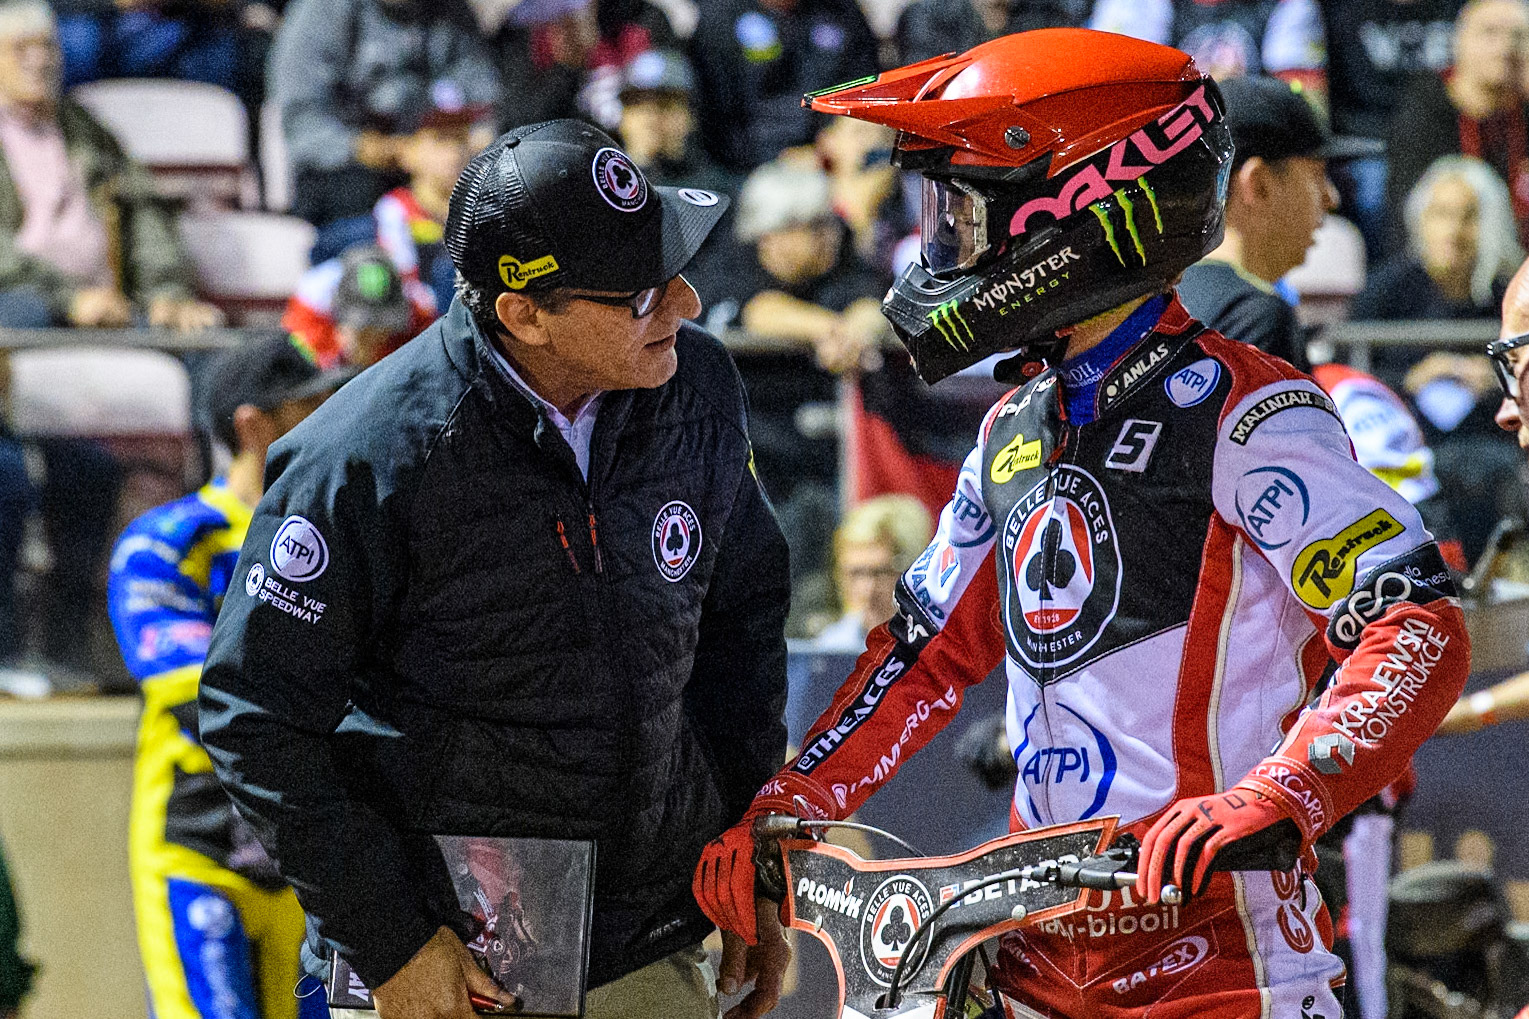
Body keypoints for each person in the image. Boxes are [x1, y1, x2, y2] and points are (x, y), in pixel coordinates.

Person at [694, 29, 1471, 1019]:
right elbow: (922, 656)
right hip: (1035, 956)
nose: (941, 250)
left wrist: (1279, 792)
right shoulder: (1011, 428)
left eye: (964, 215)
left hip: (1221, 966)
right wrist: (790, 804)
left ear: (1078, 211)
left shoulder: (1246, 410)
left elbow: (1414, 621)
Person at [198, 121, 791, 1019]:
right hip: (447, 960)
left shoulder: (696, 385)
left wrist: (750, 869)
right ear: (524, 315)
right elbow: (254, 711)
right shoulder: (365, 455)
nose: (687, 302)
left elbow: (740, 631)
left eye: (672, 266)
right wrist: (390, 940)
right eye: (640, 293)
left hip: (647, 939)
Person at [108, 330, 349, 1019]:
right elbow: (200, 692)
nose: (334, 419)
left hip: (312, 858)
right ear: (252, 426)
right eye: (310, 406)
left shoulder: (343, 535)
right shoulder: (165, 543)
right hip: (199, 843)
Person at [0, 0, 222, 331]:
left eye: (47, 46)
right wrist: (68, 299)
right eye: (20, 49)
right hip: (24, 299)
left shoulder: (87, 129)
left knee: (193, 330)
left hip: (107, 303)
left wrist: (166, 293)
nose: (39, 60)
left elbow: (144, 212)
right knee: (22, 314)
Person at [1179, 75, 1378, 373]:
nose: (1331, 197)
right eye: (1317, 175)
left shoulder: (1151, 299)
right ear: (1258, 185)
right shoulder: (1256, 316)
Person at [268, 0, 500, 230]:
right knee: (355, 194)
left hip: (430, 159)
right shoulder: (323, 10)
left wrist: (467, 145)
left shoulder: (450, 11)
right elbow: (303, 121)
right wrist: (392, 151)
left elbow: (483, 101)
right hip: (348, 172)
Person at [1385, 0, 1529, 251]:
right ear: (1459, 40)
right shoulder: (1425, 109)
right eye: (1490, 32)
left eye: (1518, 37)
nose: (1505, 47)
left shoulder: (1522, 112)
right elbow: (1408, 217)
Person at [688, 0, 879, 172]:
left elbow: (863, 90)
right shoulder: (719, 17)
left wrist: (831, 142)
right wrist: (778, 162)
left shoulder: (841, 13)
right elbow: (714, 118)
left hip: (828, 158)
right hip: (742, 168)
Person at [493, 0, 680, 133]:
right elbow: (521, 125)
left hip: (635, 155)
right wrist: (567, 67)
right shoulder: (521, 30)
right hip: (568, 153)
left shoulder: (645, 19)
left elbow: (677, 103)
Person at [812, 494, 932, 650]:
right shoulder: (830, 647)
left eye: (881, 573)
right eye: (856, 573)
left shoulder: (934, 647)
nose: (868, 590)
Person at [285, 245, 427, 370]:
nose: (373, 337)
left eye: (382, 327)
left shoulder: (418, 306)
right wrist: (339, 354)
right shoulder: (308, 311)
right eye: (365, 329)